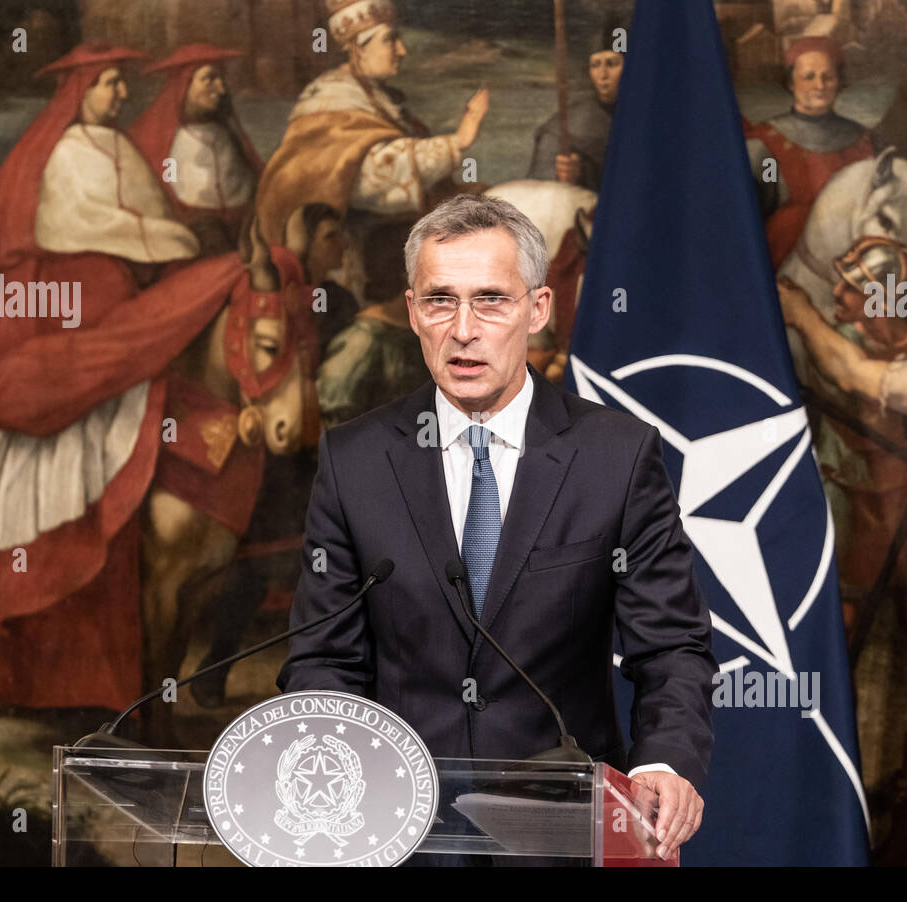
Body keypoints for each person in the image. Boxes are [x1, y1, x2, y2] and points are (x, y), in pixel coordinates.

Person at [278, 195, 716, 859]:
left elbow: (672, 647)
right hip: (397, 835)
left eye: (490, 300)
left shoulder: (616, 457)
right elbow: (323, 660)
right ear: (411, 313)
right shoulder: (355, 460)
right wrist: (329, 786)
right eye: (439, 301)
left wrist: (660, 764)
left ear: (537, 309)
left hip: (564, 832)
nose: (463, 329)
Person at [0, 45, 247, 710]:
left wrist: (176, 237)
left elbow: (149, 217)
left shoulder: (122, 148)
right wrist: (174, 242)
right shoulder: (69, 149)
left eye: (120, 85)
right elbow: (85, 223)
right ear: (79, 92)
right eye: (106, 84)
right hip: (78, 301)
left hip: (123, 291)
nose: (119, 95)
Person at [253, 0, 489, 249]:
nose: (401, 50)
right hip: (345, 248)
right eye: (390, 40)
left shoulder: (378, 98)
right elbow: (367, 179)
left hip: (384, 232)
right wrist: (457, 142)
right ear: (358, 48)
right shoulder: (330, 101)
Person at [745, 36, 879, 267]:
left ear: (839, 81)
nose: (820, 85)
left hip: (857, 266)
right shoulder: (764, 144)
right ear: (790, 83)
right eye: (809, 77)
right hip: (784, 266)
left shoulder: (866, 141)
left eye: (828, 77)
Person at [129, 43, 265, 255]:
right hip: (197, 235)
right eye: (209, 79)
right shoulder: (164, 138)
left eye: (221, 79)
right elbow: (164, 189)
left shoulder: (227, 132)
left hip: (245, 227)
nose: (220, 89)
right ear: (184, 84)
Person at [526, 16, 625, 190]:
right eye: (595, 65)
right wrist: (564, 174)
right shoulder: (567, 123)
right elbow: (539, 185)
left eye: (612, 63)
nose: (603, 74)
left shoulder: (648, 114)